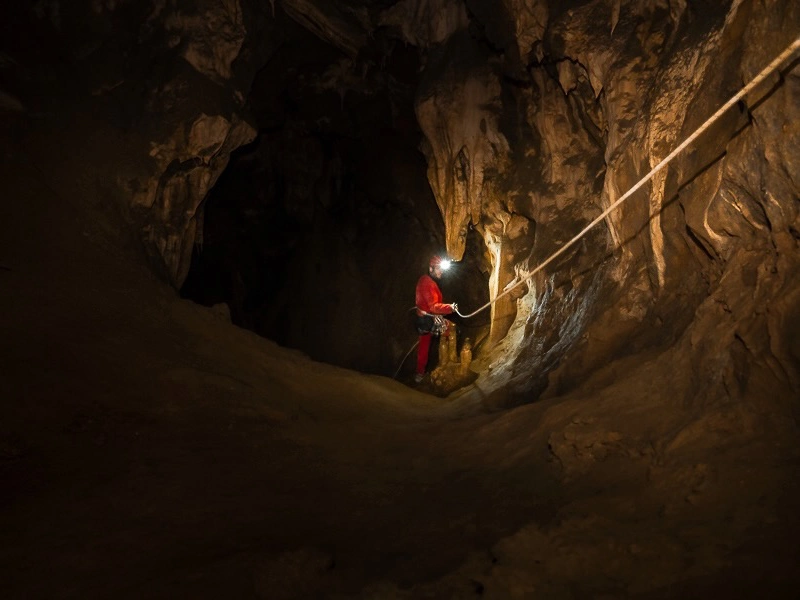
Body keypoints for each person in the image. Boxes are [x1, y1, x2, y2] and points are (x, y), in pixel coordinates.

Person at [414, 255, 457, 382]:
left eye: (441, 269)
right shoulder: (428, 283)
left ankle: (420, 373)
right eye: (438, 269)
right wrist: (450, 307)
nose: (441, 271)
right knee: (452, 329)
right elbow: (433, 307)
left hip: (425, 320)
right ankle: (448, 362)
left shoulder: (424, 280)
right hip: (430, 319)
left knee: (424, 346)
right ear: (431, 269)